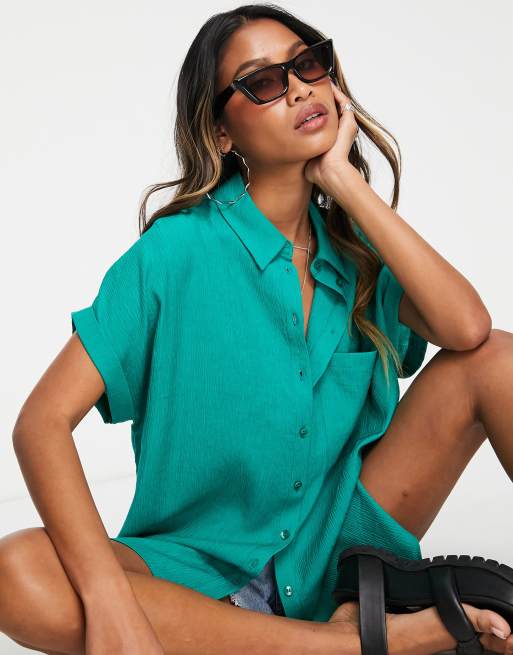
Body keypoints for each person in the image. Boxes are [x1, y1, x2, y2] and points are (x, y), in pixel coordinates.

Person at [3, 4, 513, 655]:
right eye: (264, 82)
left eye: (307, 65)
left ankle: (331, 627)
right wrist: (109, 597)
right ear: (220, 133)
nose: (298, 88)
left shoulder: (355, 252)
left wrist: (345, 184)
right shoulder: (174, 254)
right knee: (17, 570)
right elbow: (40, 422)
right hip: (195, 572)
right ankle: (365, 642)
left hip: (337, 550)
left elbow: (468, 328)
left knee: (496, 359)